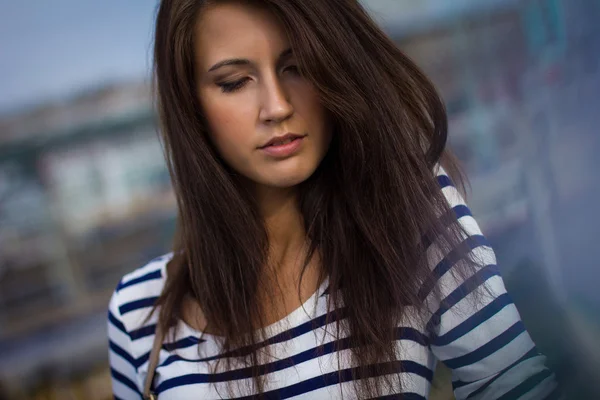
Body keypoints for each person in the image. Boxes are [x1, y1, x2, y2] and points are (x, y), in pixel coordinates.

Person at [108, 0, 560, 398]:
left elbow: (512, 384)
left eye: (298, 66)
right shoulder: (137, 313)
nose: (277, 105)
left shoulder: (405, 217)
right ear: (191, 104)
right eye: (234, 81)